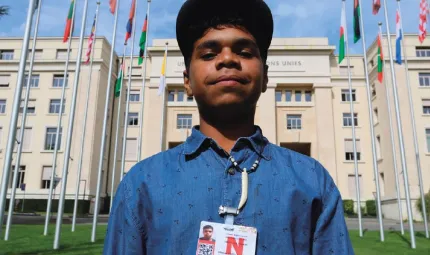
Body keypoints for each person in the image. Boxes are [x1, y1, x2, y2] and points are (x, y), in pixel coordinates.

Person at [103, 0, 354, 254]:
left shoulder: (312, 181)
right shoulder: (141, 185)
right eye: (209, 54)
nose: (227, 59)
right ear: (187, 81)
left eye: (244, 52)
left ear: (265, 77)